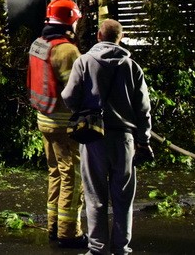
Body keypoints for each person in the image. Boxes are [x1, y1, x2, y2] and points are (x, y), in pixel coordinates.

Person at [62, 19, 153, 255]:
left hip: (93, 137)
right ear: (119, 38)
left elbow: (69, 96)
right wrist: (143, 139)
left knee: (95, 197)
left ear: (99, 36)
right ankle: (121, 248)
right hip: (124, 140)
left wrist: (84, 109)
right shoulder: (132, 67)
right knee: (123, 199)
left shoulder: (84, 62)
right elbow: (143, 108)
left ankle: (98, 249)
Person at [27, 0, 86, 248]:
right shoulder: (67, 50)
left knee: (55, 174)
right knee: (72, 176)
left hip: (44, 119)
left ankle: (54, 226)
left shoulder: (38, 44)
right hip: (64, 124)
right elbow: (75, 90)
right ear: (70, 21)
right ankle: (69, 233)